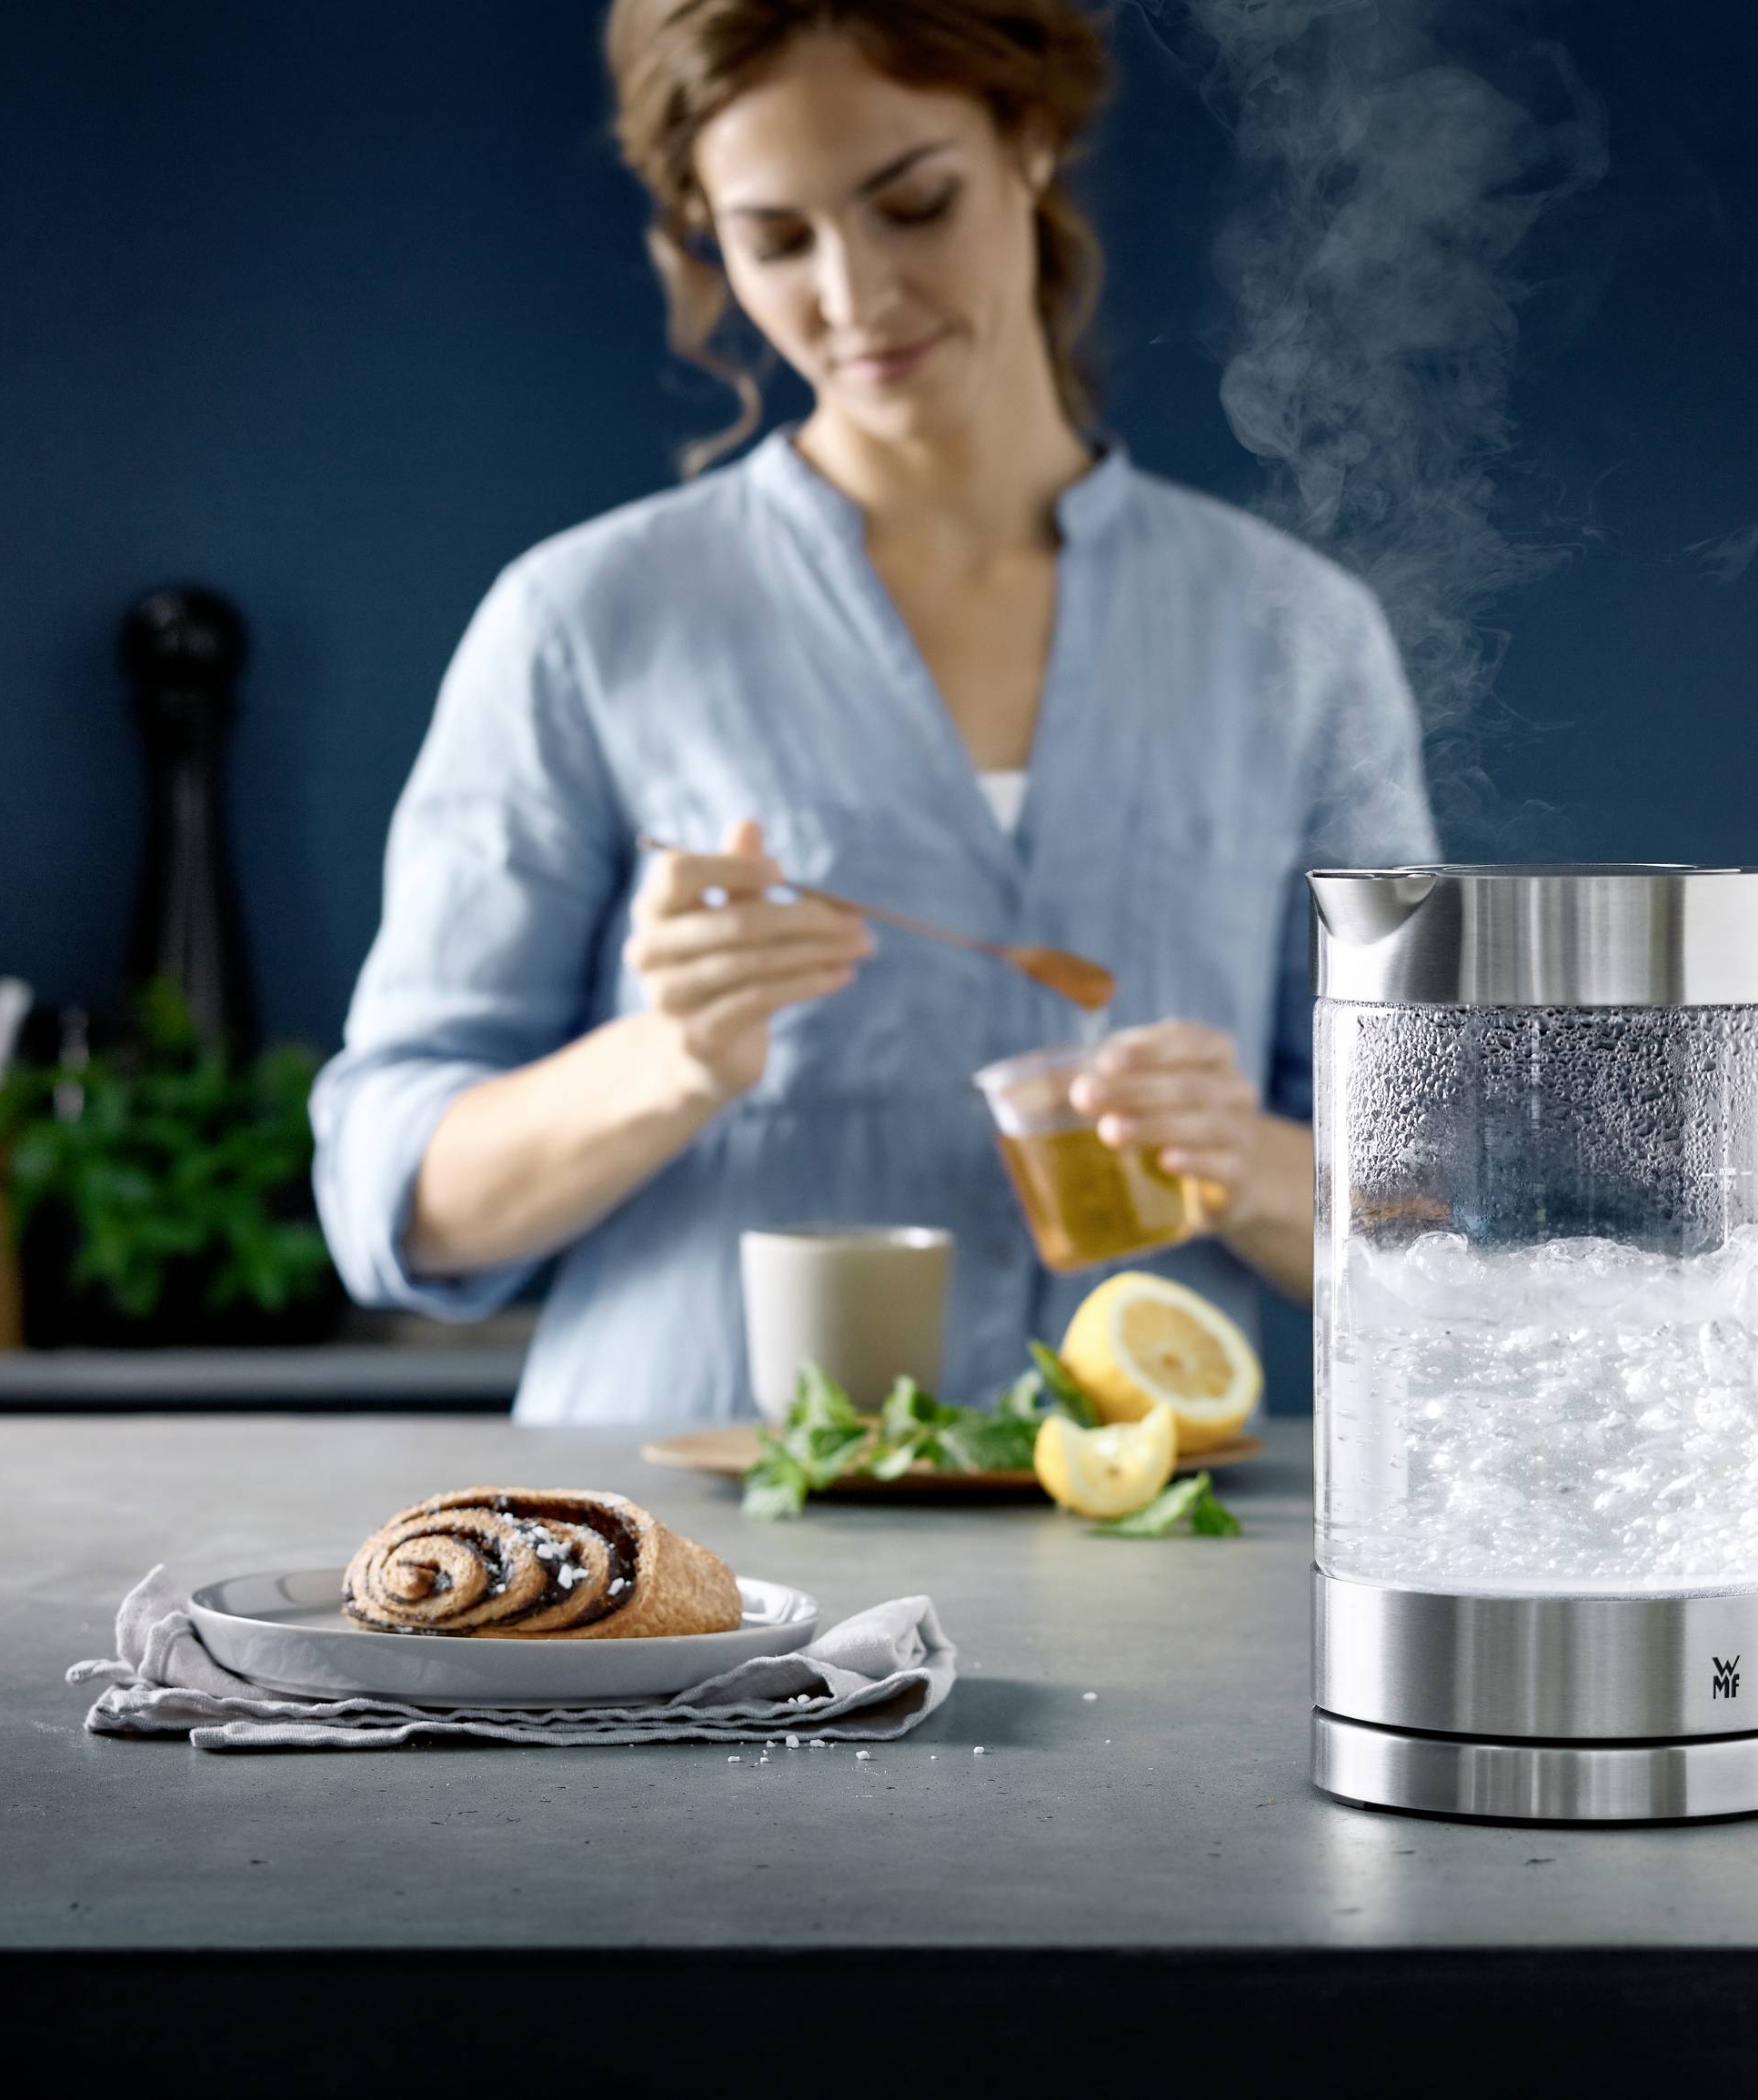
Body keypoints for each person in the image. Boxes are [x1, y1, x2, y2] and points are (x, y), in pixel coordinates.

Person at [313, 0, 1436, 1423]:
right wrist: (664, 1059)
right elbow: (388, 1200)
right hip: (696, 1587)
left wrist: (1255, 1162)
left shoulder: (1297, 635)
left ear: (1028, 142)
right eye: (775, 240)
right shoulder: (585, 620)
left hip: (1141, 1555)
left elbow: (1428, 1213)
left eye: (913, 205)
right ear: (705, 239)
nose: (852, 297)